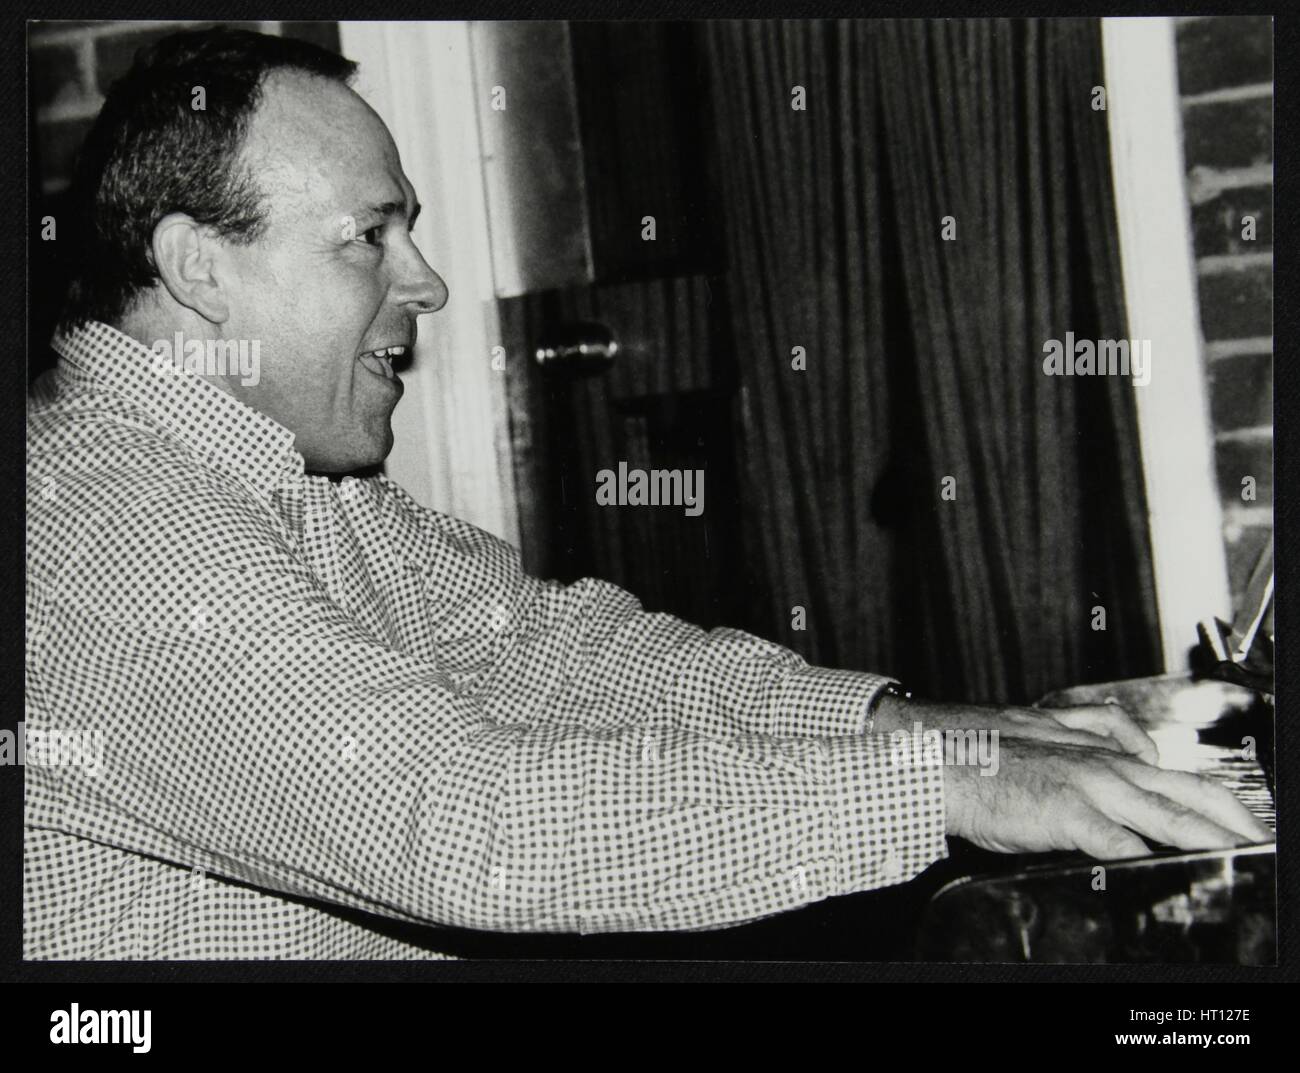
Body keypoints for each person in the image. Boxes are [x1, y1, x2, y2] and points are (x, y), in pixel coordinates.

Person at [25, 28, 1270, 960]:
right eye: (370, 235)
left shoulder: (285, 476)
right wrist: (943, 785)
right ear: (199, 269)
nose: (429, 282)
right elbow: (464, 815)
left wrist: (958, 732)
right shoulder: (106, 523)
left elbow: (570, 654)